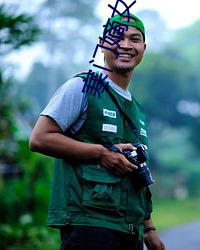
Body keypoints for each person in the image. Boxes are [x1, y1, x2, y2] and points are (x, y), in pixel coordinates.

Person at [29, 12, 165, 250]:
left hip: (130, 229)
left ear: (143, 47)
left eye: (134, 39)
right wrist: (102, 153)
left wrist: (149, 228)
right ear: (102, 44)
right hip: (89, 225)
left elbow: (136, 170)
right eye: (117, 38)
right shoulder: (83, 86)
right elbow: (40, 138)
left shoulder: (138, 108)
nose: (125, 45)